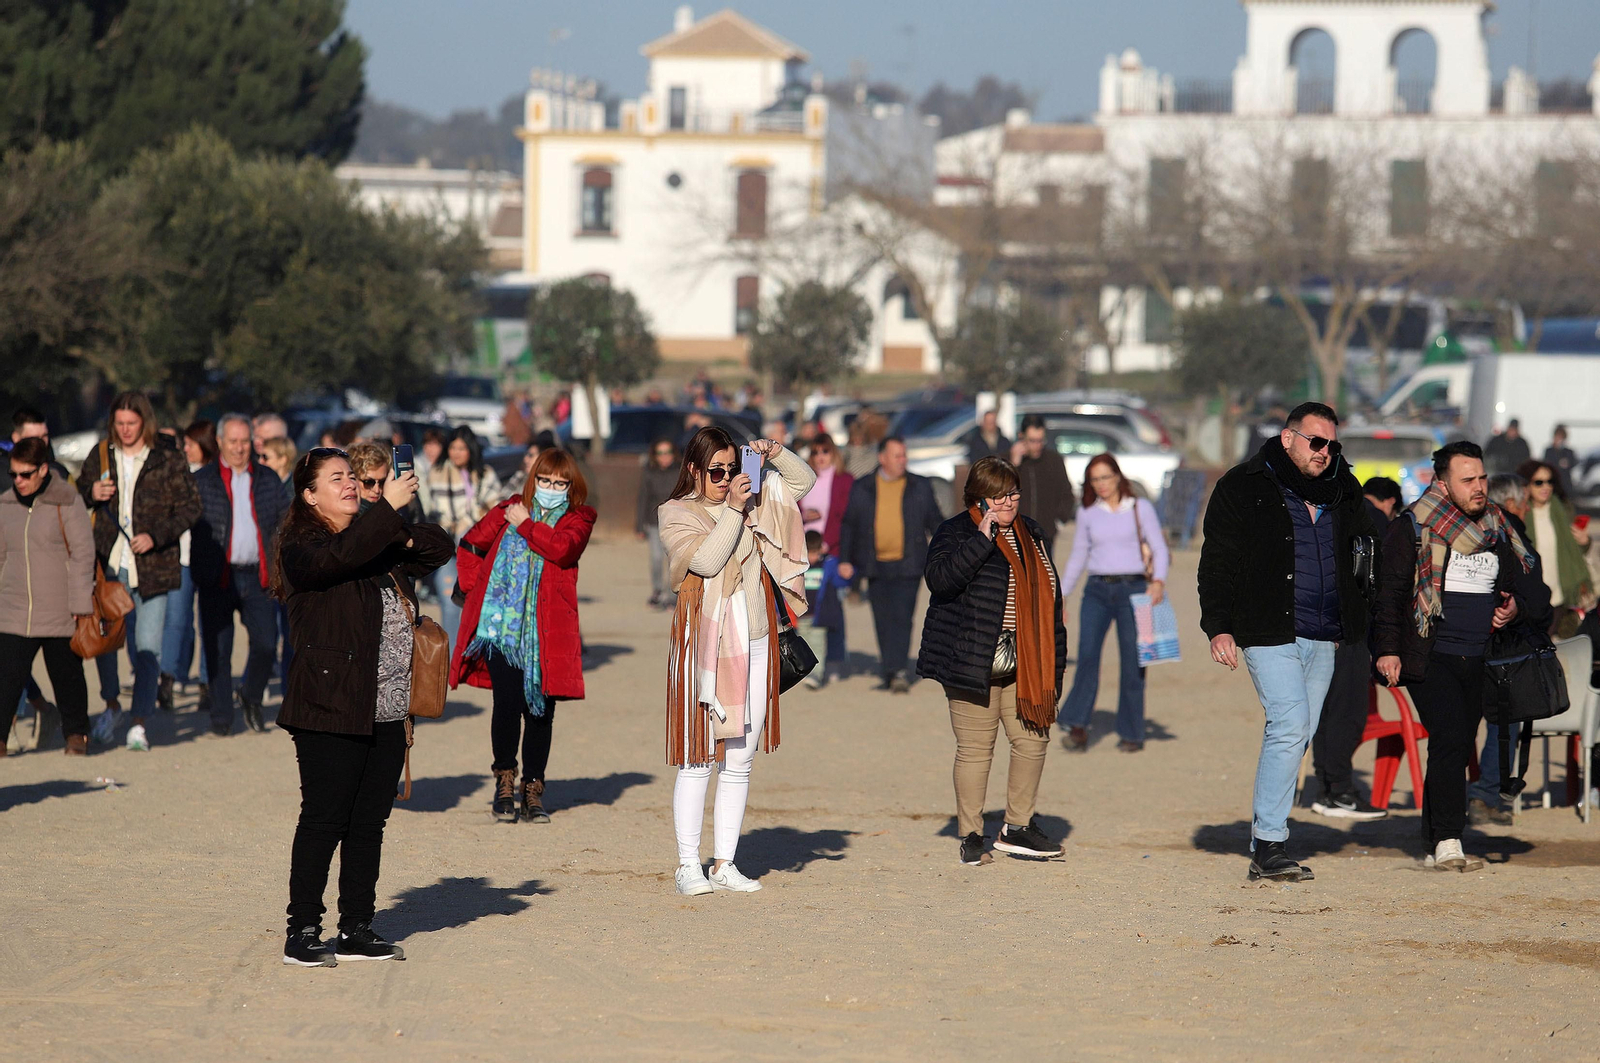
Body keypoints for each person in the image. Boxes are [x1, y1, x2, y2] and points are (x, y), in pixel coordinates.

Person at [274, 447, 451, 966]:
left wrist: (393, 524)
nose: (350, 484)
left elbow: (439, 547)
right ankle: (303, 929)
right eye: (337, 479)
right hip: (330, 704)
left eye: (353, 476)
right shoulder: (302, 545)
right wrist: (384, 517)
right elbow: (337, 560)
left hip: (390, 706)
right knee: (325, 819)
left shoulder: (375, 540)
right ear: (309, 495)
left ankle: (356, 927)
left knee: (369, 823)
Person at [1198, 402, 1377, 882]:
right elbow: (1217, 560)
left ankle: (1265, 838)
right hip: (1266, 628)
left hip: (1324, 634)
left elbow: (1366, 551)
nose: (1325, 452)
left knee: (1298, 732)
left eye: (1332, 444)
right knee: (1291, 723)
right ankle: (1271, 847)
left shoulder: (1344, 490)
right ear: (1288, 438)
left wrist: (1355, 618)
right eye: (1316, 442)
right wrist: (1218, 626)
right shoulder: (1243, 486)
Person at [1372, 442, 1545, 873]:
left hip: (1482, 658)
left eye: (1482, 478)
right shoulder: (1411, 527)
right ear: (1442, 482)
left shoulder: (1502, 528)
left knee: (1455, 744)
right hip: (1430, 655)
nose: (1479, 487)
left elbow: (1535, 590)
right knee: (1450, 739)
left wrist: (1516, 607)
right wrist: (1388, 650)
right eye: (1468, 480)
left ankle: (1434, 834)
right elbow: (1390, 594)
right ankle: (1450, 838)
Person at [659, 427, 814, 896]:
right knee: (698, 757)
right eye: (716, 471)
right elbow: (706, 560)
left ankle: (725, 862)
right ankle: (689, 864)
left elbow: (802, 485)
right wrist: (732, 511)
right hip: (704, 647)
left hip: (758, 637)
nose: (726, 479)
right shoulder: (676, 513)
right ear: (693, 470)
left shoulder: (752, 499)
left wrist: (775, 455)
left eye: (732, 469)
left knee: (741, 758)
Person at [918, 456, 1067, 865]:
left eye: (1013, 493)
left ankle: (1017, 827)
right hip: (971, 660)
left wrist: (1055, 666)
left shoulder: (1031, 532)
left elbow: (1051, 603)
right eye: (997, 496)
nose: (1007, 502)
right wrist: (981, 541)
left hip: (1027, 662)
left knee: (1033, 741)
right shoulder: (955, 531)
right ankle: (971, 834)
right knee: (975, 750)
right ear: (978, 498)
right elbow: (941, 581)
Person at [453, 449, 596, 823]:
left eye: (560, 483)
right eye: (545, 481)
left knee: (540, 713)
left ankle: (533, 789)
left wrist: (526, 525)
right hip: (500, 629)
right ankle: (504, 780)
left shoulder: (579, 517)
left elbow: (562, 550)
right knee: (506, 705)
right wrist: (473, 589)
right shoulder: (510, 507)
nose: (551, 488)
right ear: (534, 480)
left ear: (571, 486)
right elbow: (469, 544)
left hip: (547, 632)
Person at [78, 392, 201, 751]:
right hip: (109, 566)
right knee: (105, 644)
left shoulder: (167, 457)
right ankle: (112, 705)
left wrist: (156, 536)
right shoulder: (101, 454)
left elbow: (191, 507)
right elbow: (78, 497)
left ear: (144, 422)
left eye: (131, 423)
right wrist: (91, 491)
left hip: (153, 568)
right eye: (119, 423)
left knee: (148, 648)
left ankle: (139, 722)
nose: (125, 430)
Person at [1057, 453, 1170, 753]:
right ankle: (1077, 724)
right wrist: (1062, 595)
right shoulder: (1087, 513)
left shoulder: (1141, 508)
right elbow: (1078, 556)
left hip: (1134, 589)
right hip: (1096, 590)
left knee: (1134, 661)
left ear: (1118, 476)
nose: (1101, 484)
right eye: (1095, 479)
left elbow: (1158, 547)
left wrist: (1158, 580)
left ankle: (1132, 730)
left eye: (1105, 477)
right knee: (1088, 656)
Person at [1307, 476, 1402, 821]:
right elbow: (1378, 583)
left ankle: (1325, 789)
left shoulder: (1319, 511)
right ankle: (1340, 791)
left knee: (1323, 712)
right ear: (1390, 502)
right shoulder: (1371, 518)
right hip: (1351, 629)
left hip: (1317, 626)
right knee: (1348, 712)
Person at [192, 413, 289, 735]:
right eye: (232, 441)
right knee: (218, 651)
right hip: (217, 576)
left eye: (244, 441)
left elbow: (282, 521)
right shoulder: (203, 480)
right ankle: (221, 717)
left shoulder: (267, 479)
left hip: (258, 576)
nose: (238, 448)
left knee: (265, 644)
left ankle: (250, 695)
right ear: (219, 442)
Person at [0, 438, 94, 756]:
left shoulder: (67, 499)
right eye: (14, 475)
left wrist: (80, 602)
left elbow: (83, 552)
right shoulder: (6, 504)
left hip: (60, 608)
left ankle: (76, 734)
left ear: (43, 469)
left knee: (67, 676)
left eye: (25, 474)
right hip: (15, 609)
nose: (18, 481)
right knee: (7, 678)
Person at [839, 437, 943, 692]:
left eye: (904, 455)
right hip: (874, 564)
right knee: (882, 619)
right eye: (897, 456)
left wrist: (946, 551)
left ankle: (897, 671)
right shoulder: (863, 486)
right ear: (882, 458)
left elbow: (937, 523)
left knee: (902, 617)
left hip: (909, 563)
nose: (902, 460)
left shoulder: (920, 485)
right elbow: (849, 525)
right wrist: (845, 559)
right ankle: (889, 667)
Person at [1465, 473, 1536, 826]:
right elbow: (1535, 594)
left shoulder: (1468, 529)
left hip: (1464, 640)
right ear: (1510, 504)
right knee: (1504, 722)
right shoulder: (1512, 531)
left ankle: (1470, 796)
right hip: (1503, 646)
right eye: (1523, 501)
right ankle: (1486, 794)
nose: (1525, 507)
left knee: (1466, 724)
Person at [425, 427, 503, 657]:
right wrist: (457, 523)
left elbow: (495, 508)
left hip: (478, 550)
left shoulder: (485, 474)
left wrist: (475, 519)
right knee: (450, 602)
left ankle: (478, 656)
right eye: (453, 447)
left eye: (462, 448)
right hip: (447, 548)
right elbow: (434, 511)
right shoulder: (437, 473)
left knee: (481, 603)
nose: (457, 453)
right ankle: (451, 660)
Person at [1514, 459, 1591, 639]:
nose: (1545, 486)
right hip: (1532, 590)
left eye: (1550, 481)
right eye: (1538, 482)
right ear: (1526, 484)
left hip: (1559, 590)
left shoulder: (1562, 510)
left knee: (1552, 641)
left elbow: (1574, 551)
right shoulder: (1521, 512)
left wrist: (1585, 541)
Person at [1011, 415, 1076, 546]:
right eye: (1032, 441)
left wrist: (1059, 521)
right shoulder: (1008, 460)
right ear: (1021, 437)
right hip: (1015, 535)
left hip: (1045, 536)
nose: (1037, 446)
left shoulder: (1053, 460)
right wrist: (1014, 465)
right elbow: (1002, 492)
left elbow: (1067, 494)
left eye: (1041, 440)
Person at [801, 530, 849, 689]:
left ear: (821, 549)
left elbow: (840, 582)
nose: (811, 557)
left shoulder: (828, 564)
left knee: (818, 644)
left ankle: (816, 675)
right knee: (804, 645)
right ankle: (806, 672)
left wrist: (847, 574)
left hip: (819, 615)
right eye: (808, 553)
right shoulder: (796, 566)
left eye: (814, 553)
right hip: (801, 615)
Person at [636, 439, 680, 609]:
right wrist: (639, 526)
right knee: (655, 558)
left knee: (673, 560)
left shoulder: (679, 472)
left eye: (667, 452)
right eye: (660, 453)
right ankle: (657, 590)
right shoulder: (649, 472)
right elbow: (642, 499)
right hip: (654, 521)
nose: (664, 457)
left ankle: (671, 596)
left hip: (675, 522)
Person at [799, 433, 854, 555]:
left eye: (825, 451)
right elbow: (792, 509)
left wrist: (826, 543)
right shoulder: (804, 479)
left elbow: (845, 517)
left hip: (832, 549)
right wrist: (802, 515)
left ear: (833, 452)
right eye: (815, 452)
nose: (820, 456)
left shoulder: (845, 480)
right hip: (803, 547)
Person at [1543, 425, 1579, 498]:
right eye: (1558, 437)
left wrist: (1567, 463)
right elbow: (1546, 463)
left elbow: (1574, 462)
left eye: (1561, 437)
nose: (1559, 440)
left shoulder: (1568, 452)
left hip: (1565, 484)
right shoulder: (1549, 451)